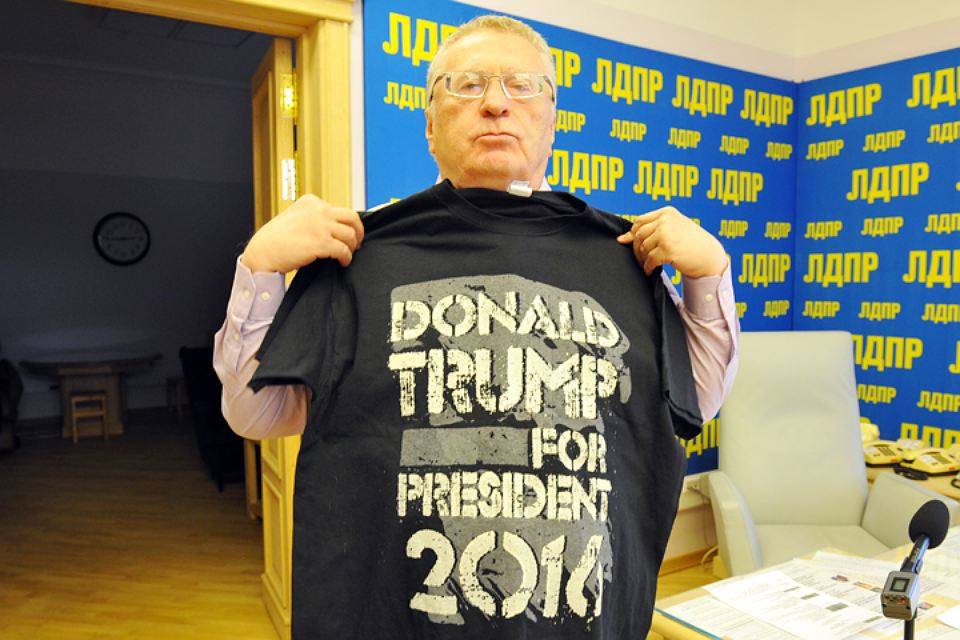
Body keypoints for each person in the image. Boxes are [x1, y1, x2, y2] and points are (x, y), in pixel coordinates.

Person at [213, 14, 739, 638]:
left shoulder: (627, 257)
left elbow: (695, 401)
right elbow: (254, 414)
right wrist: (259, 267)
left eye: (522, 85)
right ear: (430, 125)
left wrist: (710, 275)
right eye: (467, 84)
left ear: (551, 120)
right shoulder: (354, 255)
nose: (495, 103)